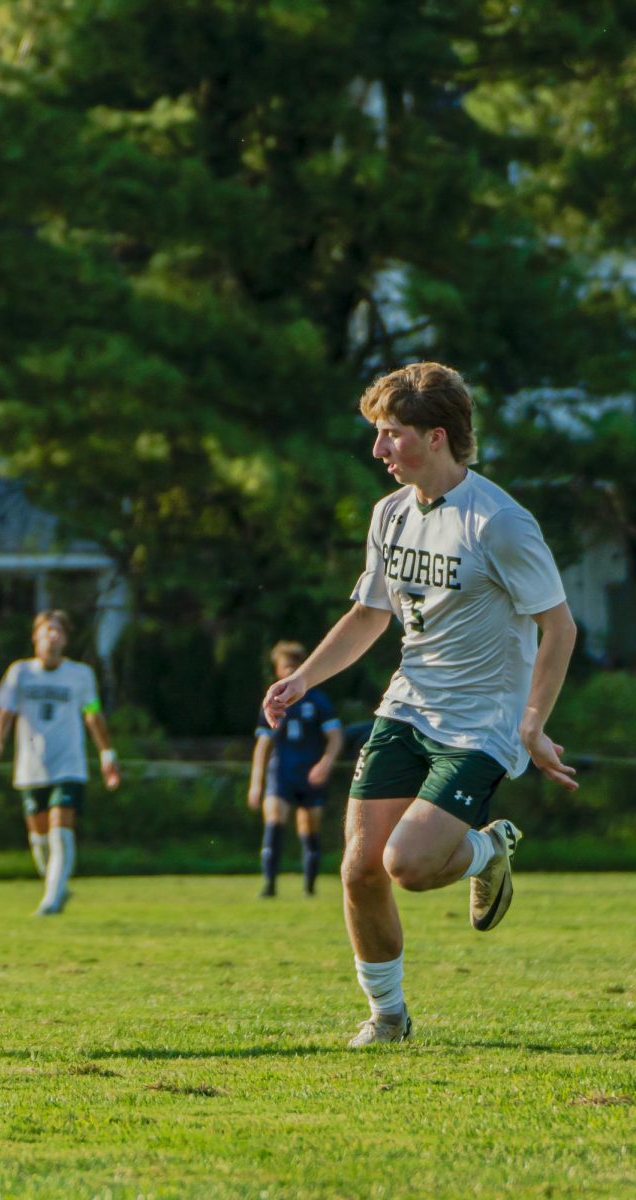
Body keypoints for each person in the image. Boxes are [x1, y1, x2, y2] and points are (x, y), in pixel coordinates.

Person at [262, 362, 576, 1048]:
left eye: (390, 434)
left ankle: (487, 847)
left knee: (407, 864)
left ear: (437, 437)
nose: (378, 450)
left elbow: (561, 625)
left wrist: (533, 722)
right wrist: (304, 680)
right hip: (405, 710)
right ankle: (388, 1018)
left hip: (481, 725)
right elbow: (369, 615)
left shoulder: (500, 523)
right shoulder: (390, 514)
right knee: (359, 868)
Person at [0, 610, 121, 915]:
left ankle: (51, 900)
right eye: (47, 630)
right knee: (40, 839)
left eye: (58, 631)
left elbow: (93, 713)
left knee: (61, 830)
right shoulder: (19, 673)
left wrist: (107, 755)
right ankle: (56, 885)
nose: (52, 635)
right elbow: (4, 715)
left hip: (69, 764)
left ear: (66, 639)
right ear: (35, 636)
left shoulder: (81, 675)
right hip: (31, 766)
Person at [249, 641, 343, 898]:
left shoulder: (318, 700)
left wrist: (325, 763)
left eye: (294, 665)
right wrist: (256, 783)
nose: (289, 669)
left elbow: (335, 736)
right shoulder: (273, 700)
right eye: (285, 666)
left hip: (309, 773)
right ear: (278, 670)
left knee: (309, 827)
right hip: (280, 773)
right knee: (274, 821)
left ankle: (309, 887)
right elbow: (263, 745)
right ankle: (269, 886)